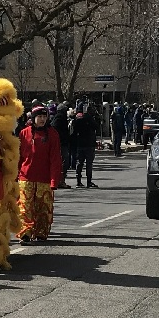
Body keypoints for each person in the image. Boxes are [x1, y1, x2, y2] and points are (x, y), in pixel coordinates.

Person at [17, 104, 64, 242]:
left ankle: (41, 232)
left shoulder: (53, 134)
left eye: (45, 116)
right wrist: (13, 176)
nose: (42, 119)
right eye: (39, 116)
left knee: (43, 208)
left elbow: (56, 159)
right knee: (25, 206)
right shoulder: (24, 133)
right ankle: (25, 232)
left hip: (44, 179)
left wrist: (54, 180)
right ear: (33, 118)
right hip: (25, 177)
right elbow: (18, 157)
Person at [70, 98, 100, 188]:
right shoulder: (89, 118)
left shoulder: (76, 118)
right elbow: (96, 127)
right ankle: (89, 181)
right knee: (89, 163)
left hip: (79, 143)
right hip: (89, 143)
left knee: (80, 163)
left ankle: (78, 181)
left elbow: (74, 131)